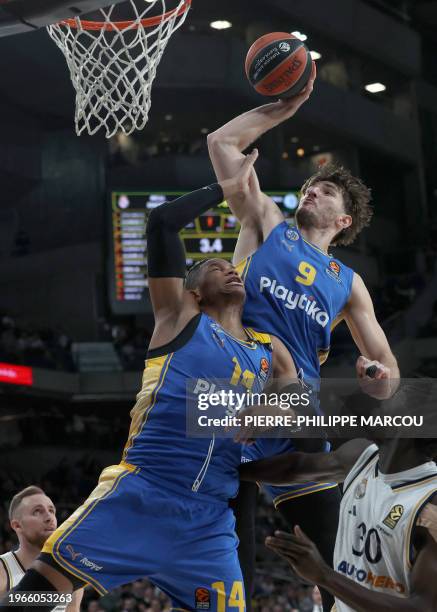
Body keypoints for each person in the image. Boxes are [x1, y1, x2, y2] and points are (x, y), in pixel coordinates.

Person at [0, 151, 299, 612]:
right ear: (194, 290)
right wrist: (228, 190)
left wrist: (272, 411)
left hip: (209, 520)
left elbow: (297, 400)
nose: (231, 269)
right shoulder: (179, 317)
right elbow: (161, 222)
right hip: (144, 492)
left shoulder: (268, 350)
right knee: (39, 594)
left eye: (233, 266)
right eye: (218, 267)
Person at [207, 63, 399, 610]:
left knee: (334, 564)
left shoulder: (348, 284)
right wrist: (281, 109)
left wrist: (377, 375)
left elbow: (387, 373)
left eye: (328, 189)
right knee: (222, 557)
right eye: (313, 184)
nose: (314, 189)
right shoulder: (266, 221)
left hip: (293, 421)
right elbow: (221, 142)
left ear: (343, 221)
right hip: (238, 386)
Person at [239, 429, 437, 611]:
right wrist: (230, 470)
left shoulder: (430, 507)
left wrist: (325, 576)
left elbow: (423, 608)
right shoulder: (362, 455)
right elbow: (296, 467)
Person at [0, 486, 82, 611]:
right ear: (17, 525)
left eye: (51, 511)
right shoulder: (2, 570)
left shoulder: (70, 569)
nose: (50, 518)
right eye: (37, 511)